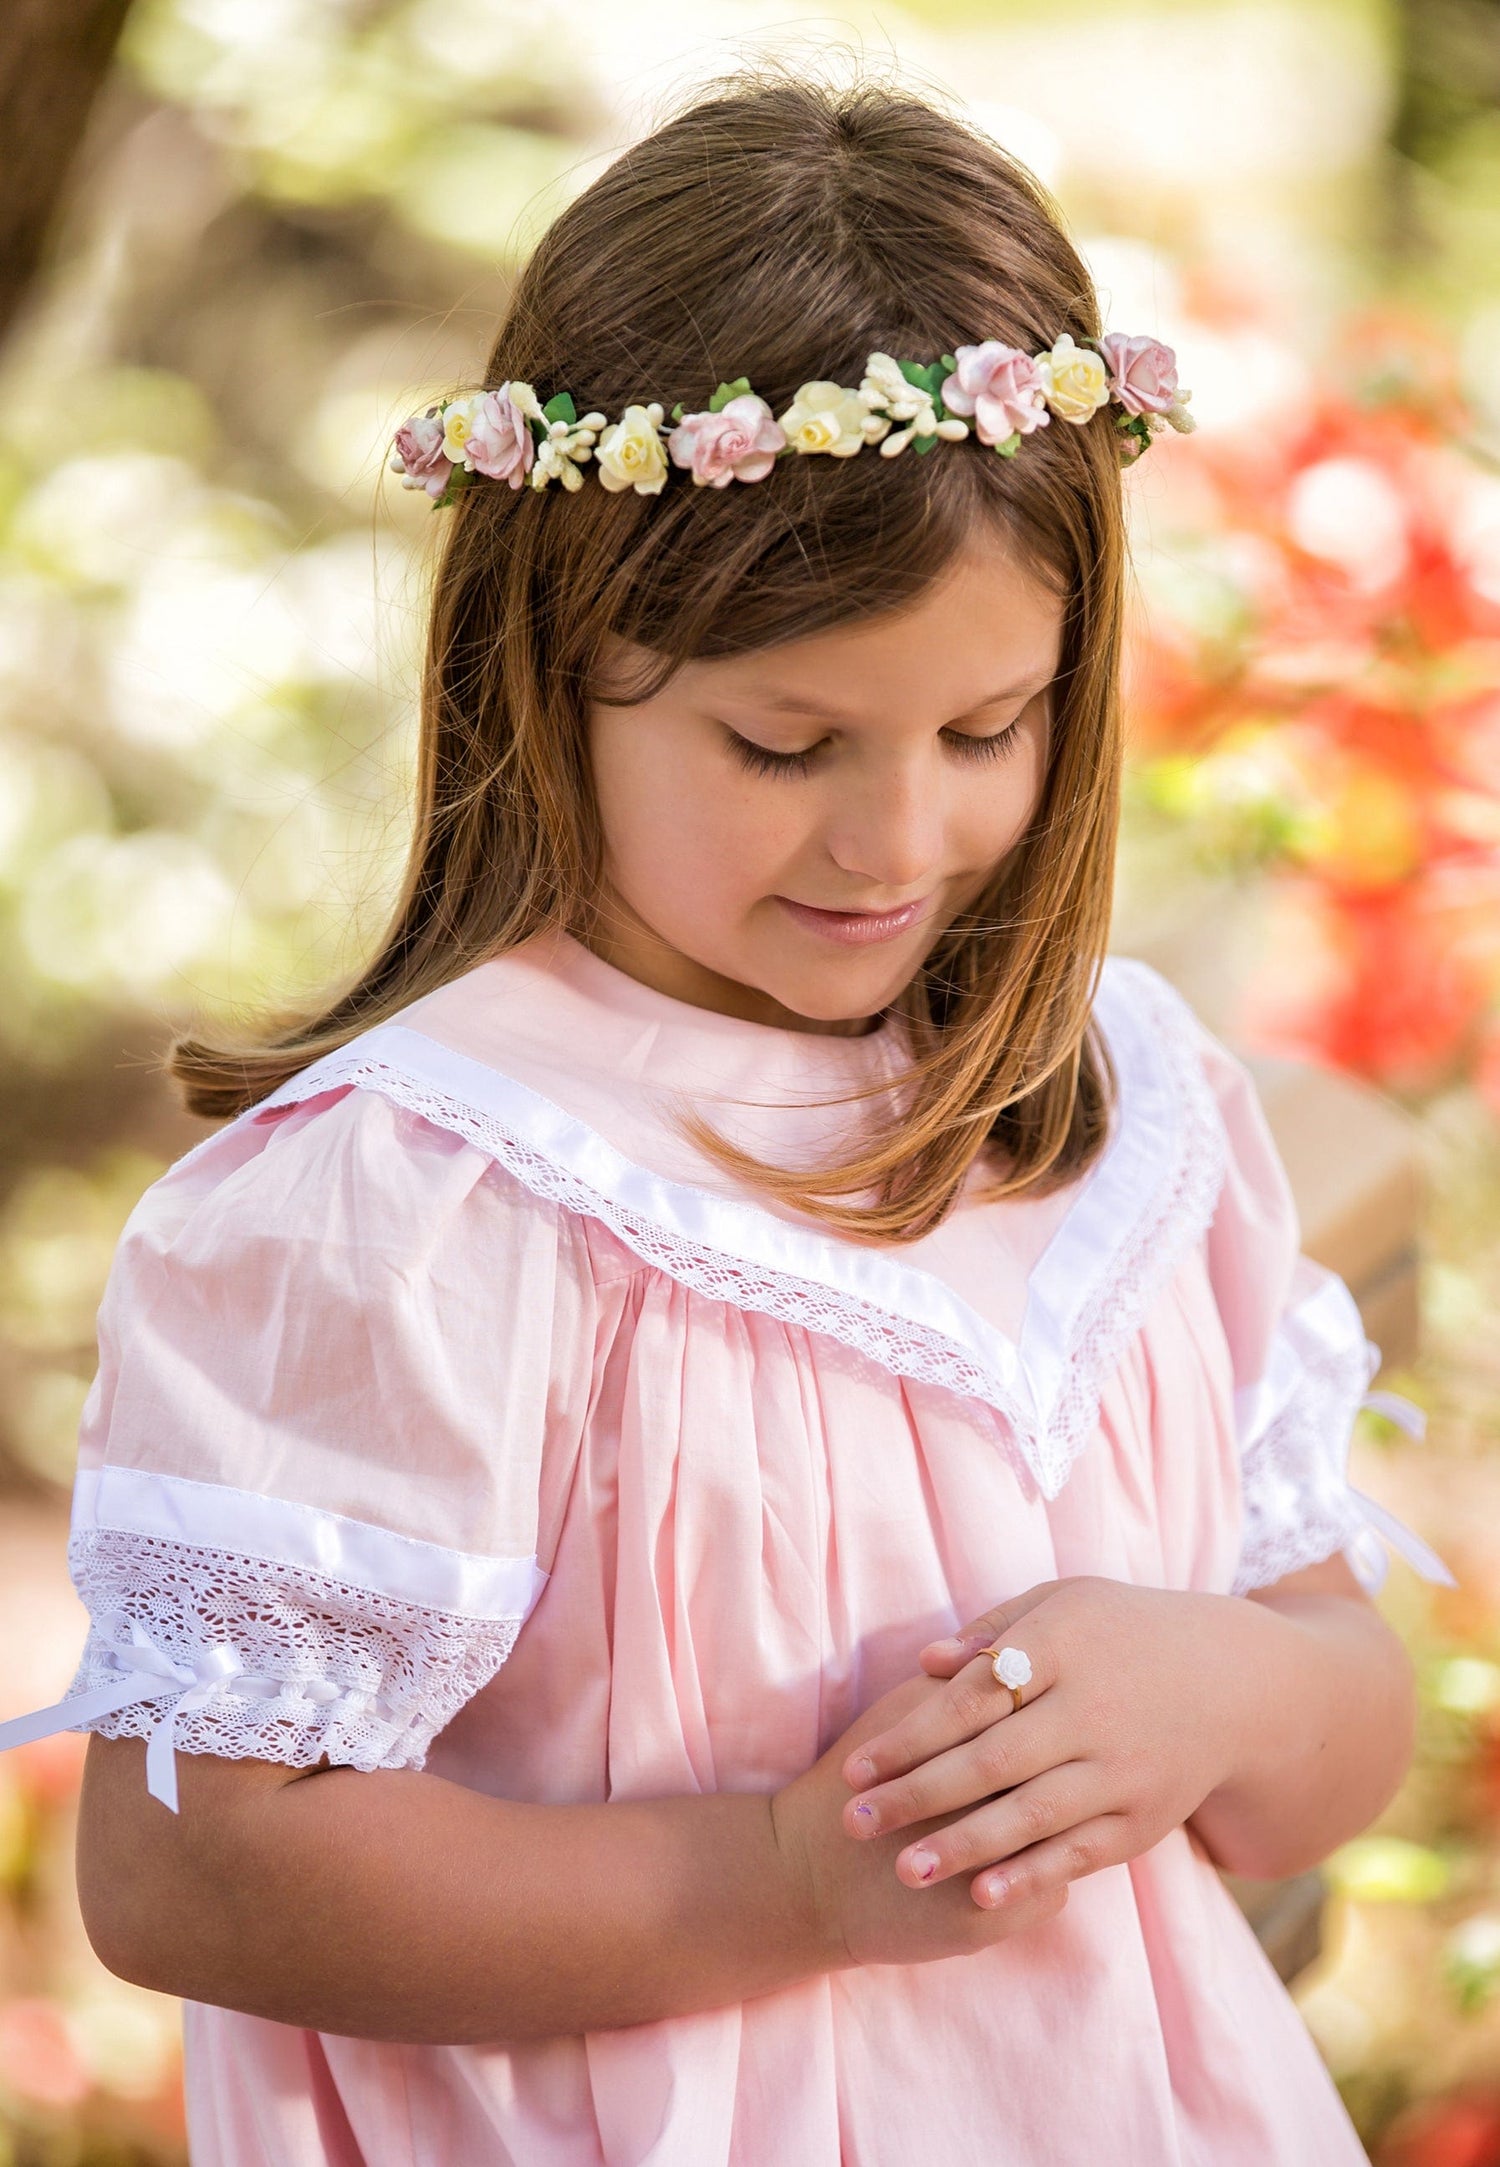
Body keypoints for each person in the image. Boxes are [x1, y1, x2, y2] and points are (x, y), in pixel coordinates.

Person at [0, 71, 1457, 2167]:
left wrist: (1225, 1692)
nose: (900, 835)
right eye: (786, 742)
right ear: (550, 662)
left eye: (988, 726)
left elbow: (1332, 1723)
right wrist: (776, 1876)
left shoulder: (1130, 1119)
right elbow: (190, 1874)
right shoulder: (414, 1199)